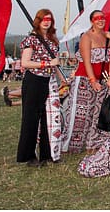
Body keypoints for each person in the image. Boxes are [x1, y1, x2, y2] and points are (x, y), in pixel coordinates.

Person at [16, 9, 68, 166]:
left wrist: (62, 79)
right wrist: (46, 64)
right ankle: (29, 156)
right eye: (43, 19)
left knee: (50, 118)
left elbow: (55, 63)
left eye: (49, 19)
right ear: (37, 21)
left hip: (49, 81)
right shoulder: (31, 40)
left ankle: (48, 153)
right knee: (31, 118)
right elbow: (25, 63)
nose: (46, 21)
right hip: (34, 81)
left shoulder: (52, 41)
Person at [62, 10, 110, 153]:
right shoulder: (86, 37)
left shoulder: (107, 37)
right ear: (92, 21)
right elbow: (86, 61)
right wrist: (92, 80)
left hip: (101, 80)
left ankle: (91, 143)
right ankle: (70, 145)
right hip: (85, 79)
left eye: (102, 18)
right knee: (80, 113)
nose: (100, 20)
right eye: (97, 18)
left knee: (96, 113)